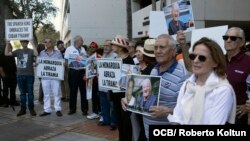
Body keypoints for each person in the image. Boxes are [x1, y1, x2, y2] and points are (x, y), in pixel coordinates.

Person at [177, 27, 250, 124]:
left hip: (236, 117)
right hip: (210, 112)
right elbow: (191, 67)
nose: (228, 40)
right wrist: (183, 45)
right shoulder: (217, 60)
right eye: (225, 37)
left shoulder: (248, 61)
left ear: (242, 42)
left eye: (233, 38)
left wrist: (247, 106)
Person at [168, 37, 236, 124]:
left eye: (202, 58)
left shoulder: (223, 90)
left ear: (215, 62)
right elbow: (177, 117)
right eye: (192, 56)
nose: (195, 61)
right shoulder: (187, 84)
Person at [143, 34, 188, 140]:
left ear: (173, 51)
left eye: (162, 47)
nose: (157, 51)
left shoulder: (182, 75)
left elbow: (188, 110)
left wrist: (168, 111)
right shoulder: (154, 70)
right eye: (156, 47)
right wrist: (129, 100)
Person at [5, 40, 38, 116]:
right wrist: (7, 43)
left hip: (29, 75)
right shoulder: (18, 51)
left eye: (25, 42)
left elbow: (36, 53)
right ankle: (23, 109)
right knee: (22, 93)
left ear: (27, 43)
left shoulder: (31, 51)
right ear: (21, 43)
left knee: (30, 93)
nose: (24, 44)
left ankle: (31, 108)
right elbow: (6, 54)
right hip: (20, 75)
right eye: (22, 42)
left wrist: (32, 43)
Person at [39, 38, 63, 117]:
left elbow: (62, 63)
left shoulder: (58, 53)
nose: (47, 43)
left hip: (55, 77)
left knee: (57, 93)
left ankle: (58, 109)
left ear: (52, 43)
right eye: (45, 42)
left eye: (49, 42)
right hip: (45, 77)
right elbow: (38, 63)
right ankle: (47, 110)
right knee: (46, 94)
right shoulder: (42, 53)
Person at [64, 35, 88, 116]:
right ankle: (72, 109)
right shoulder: (69, 49)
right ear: (77, 41)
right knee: (73, 91)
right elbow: (66, 61)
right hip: (73, 72)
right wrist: (69, 67)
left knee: (83, 91)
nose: (82, 42)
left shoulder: (83, 49)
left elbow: (85, 59)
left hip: (81, 72)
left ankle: (84, 109)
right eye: (81, 40)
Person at [98, 40, 117, 130]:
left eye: (107, 45)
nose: (105, 47)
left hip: (110, 87)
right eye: (104, 45)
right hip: (102, 86)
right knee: (103, 104)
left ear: (112, 47)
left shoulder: (115, 57)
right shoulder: (103, 56)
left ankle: (113, 122)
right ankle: (106, 120)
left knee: (112, 105)